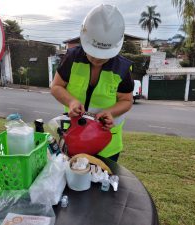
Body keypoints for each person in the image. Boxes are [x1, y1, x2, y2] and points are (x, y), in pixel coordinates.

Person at [51, 4, 134, 162]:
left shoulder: (122, 68)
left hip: (106, 145)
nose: (97, 59)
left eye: (104, 55)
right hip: (72, 137)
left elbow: (126, 100)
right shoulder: (71, 58)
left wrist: (111, 112)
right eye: (93, 53)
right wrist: (72, 101)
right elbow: (56, 87)